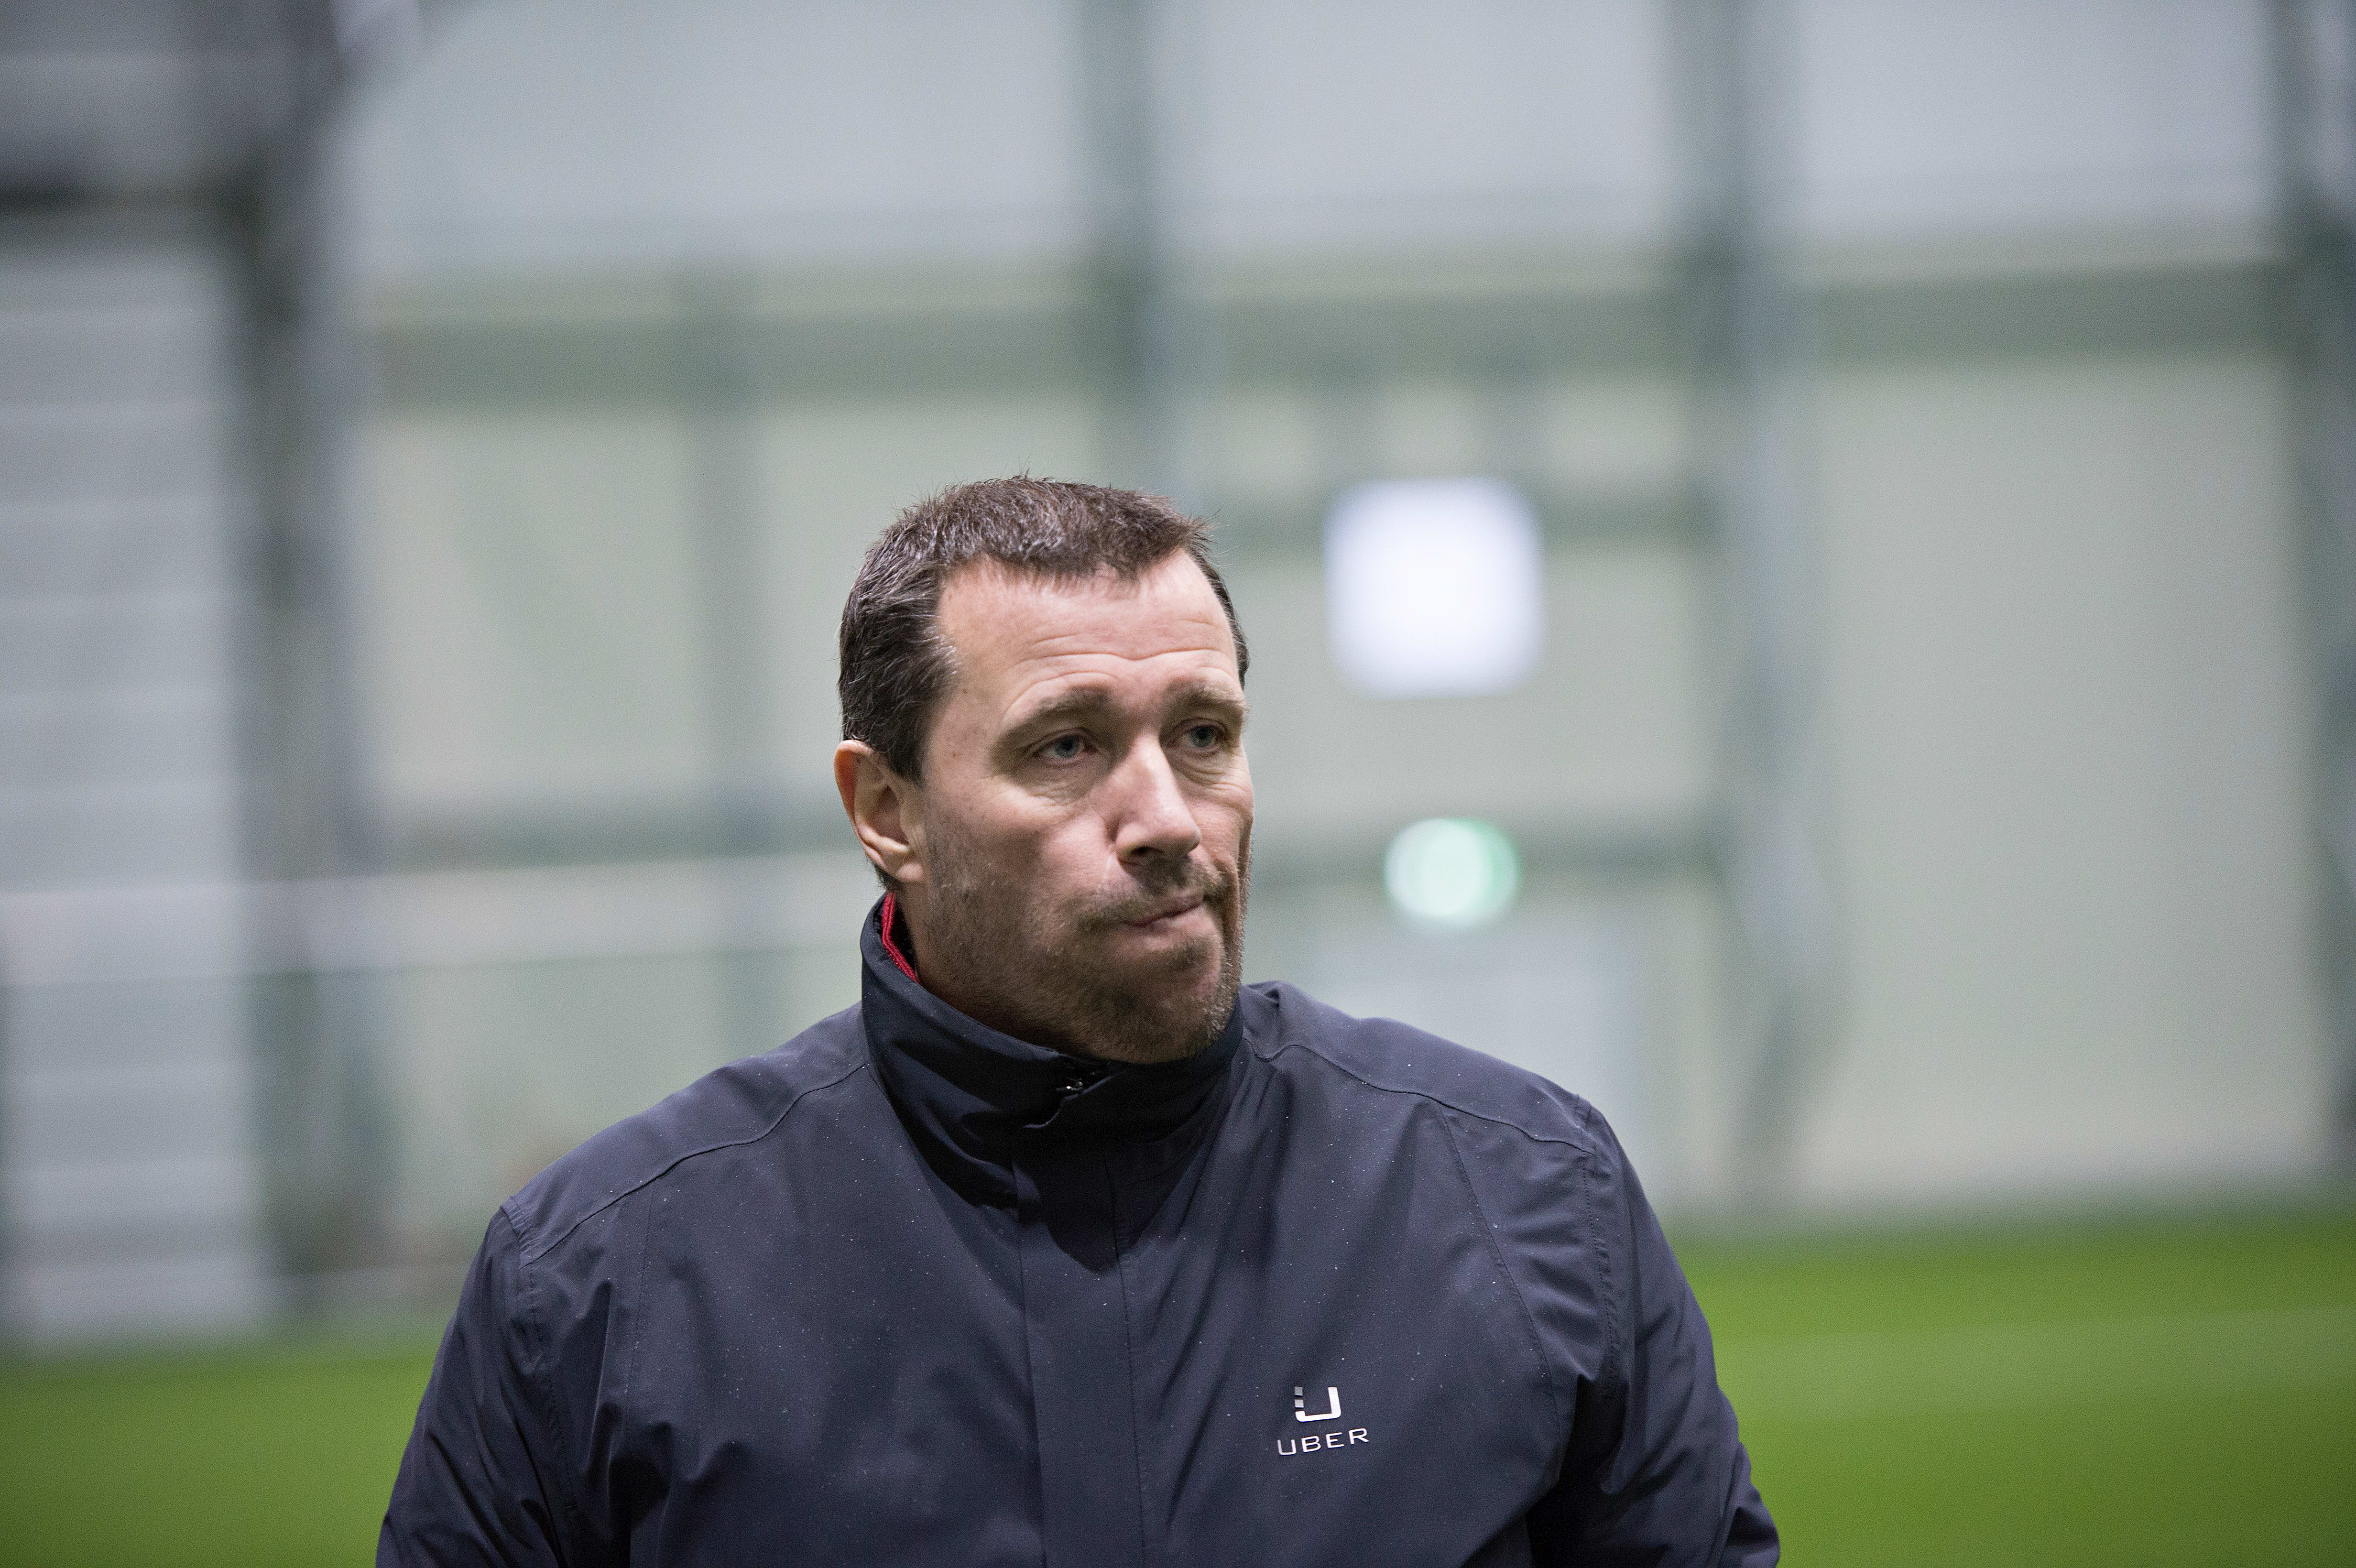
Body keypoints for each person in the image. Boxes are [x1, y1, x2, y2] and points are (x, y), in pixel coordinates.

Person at [379, 477, 1777, 1567]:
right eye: (1067, 746)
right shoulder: (601, 1285)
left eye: (1203, 735)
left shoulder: (1527, 1193)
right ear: (888, 811)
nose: (1167, 818)